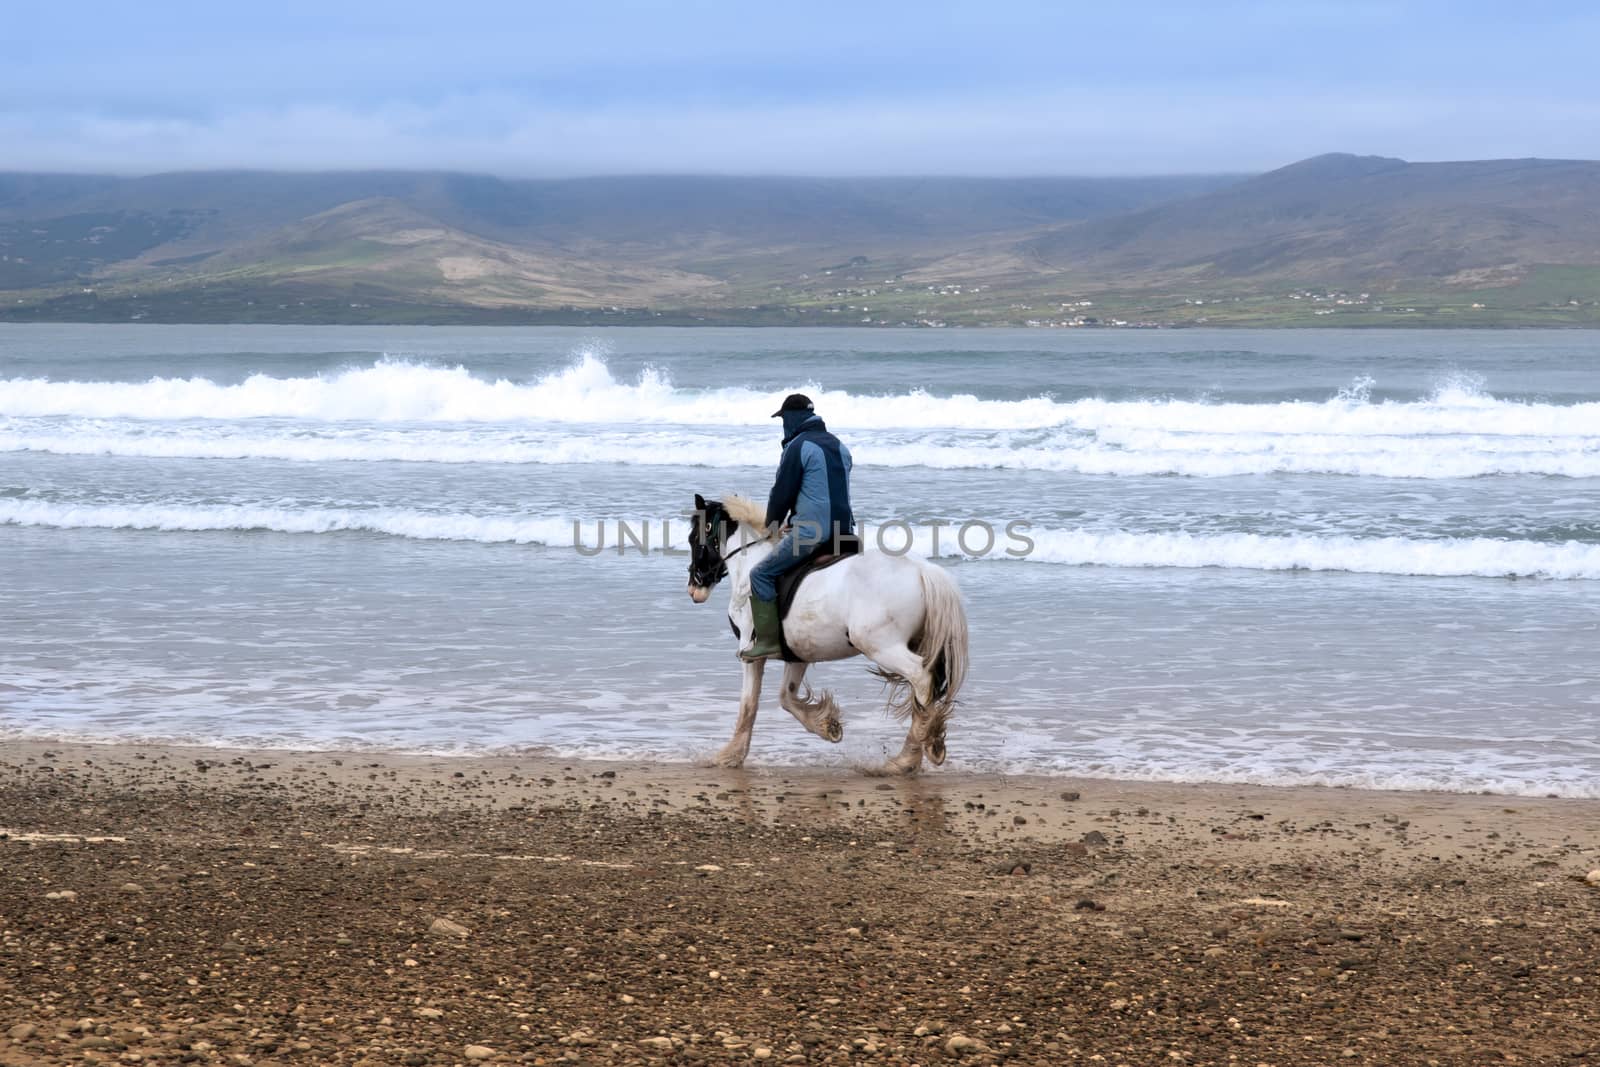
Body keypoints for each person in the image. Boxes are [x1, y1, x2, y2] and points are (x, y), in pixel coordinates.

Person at [740, 393, 855, 662]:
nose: (783, 426)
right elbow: (825, 492)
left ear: (791, 418)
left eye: (783, 420)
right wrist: (794, 519)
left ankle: (768, 642)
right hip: (846, 533)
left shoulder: (798, 447)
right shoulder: (841, 447)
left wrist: (772, 526)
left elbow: (782, 493)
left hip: (812, 534)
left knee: (760, 574)